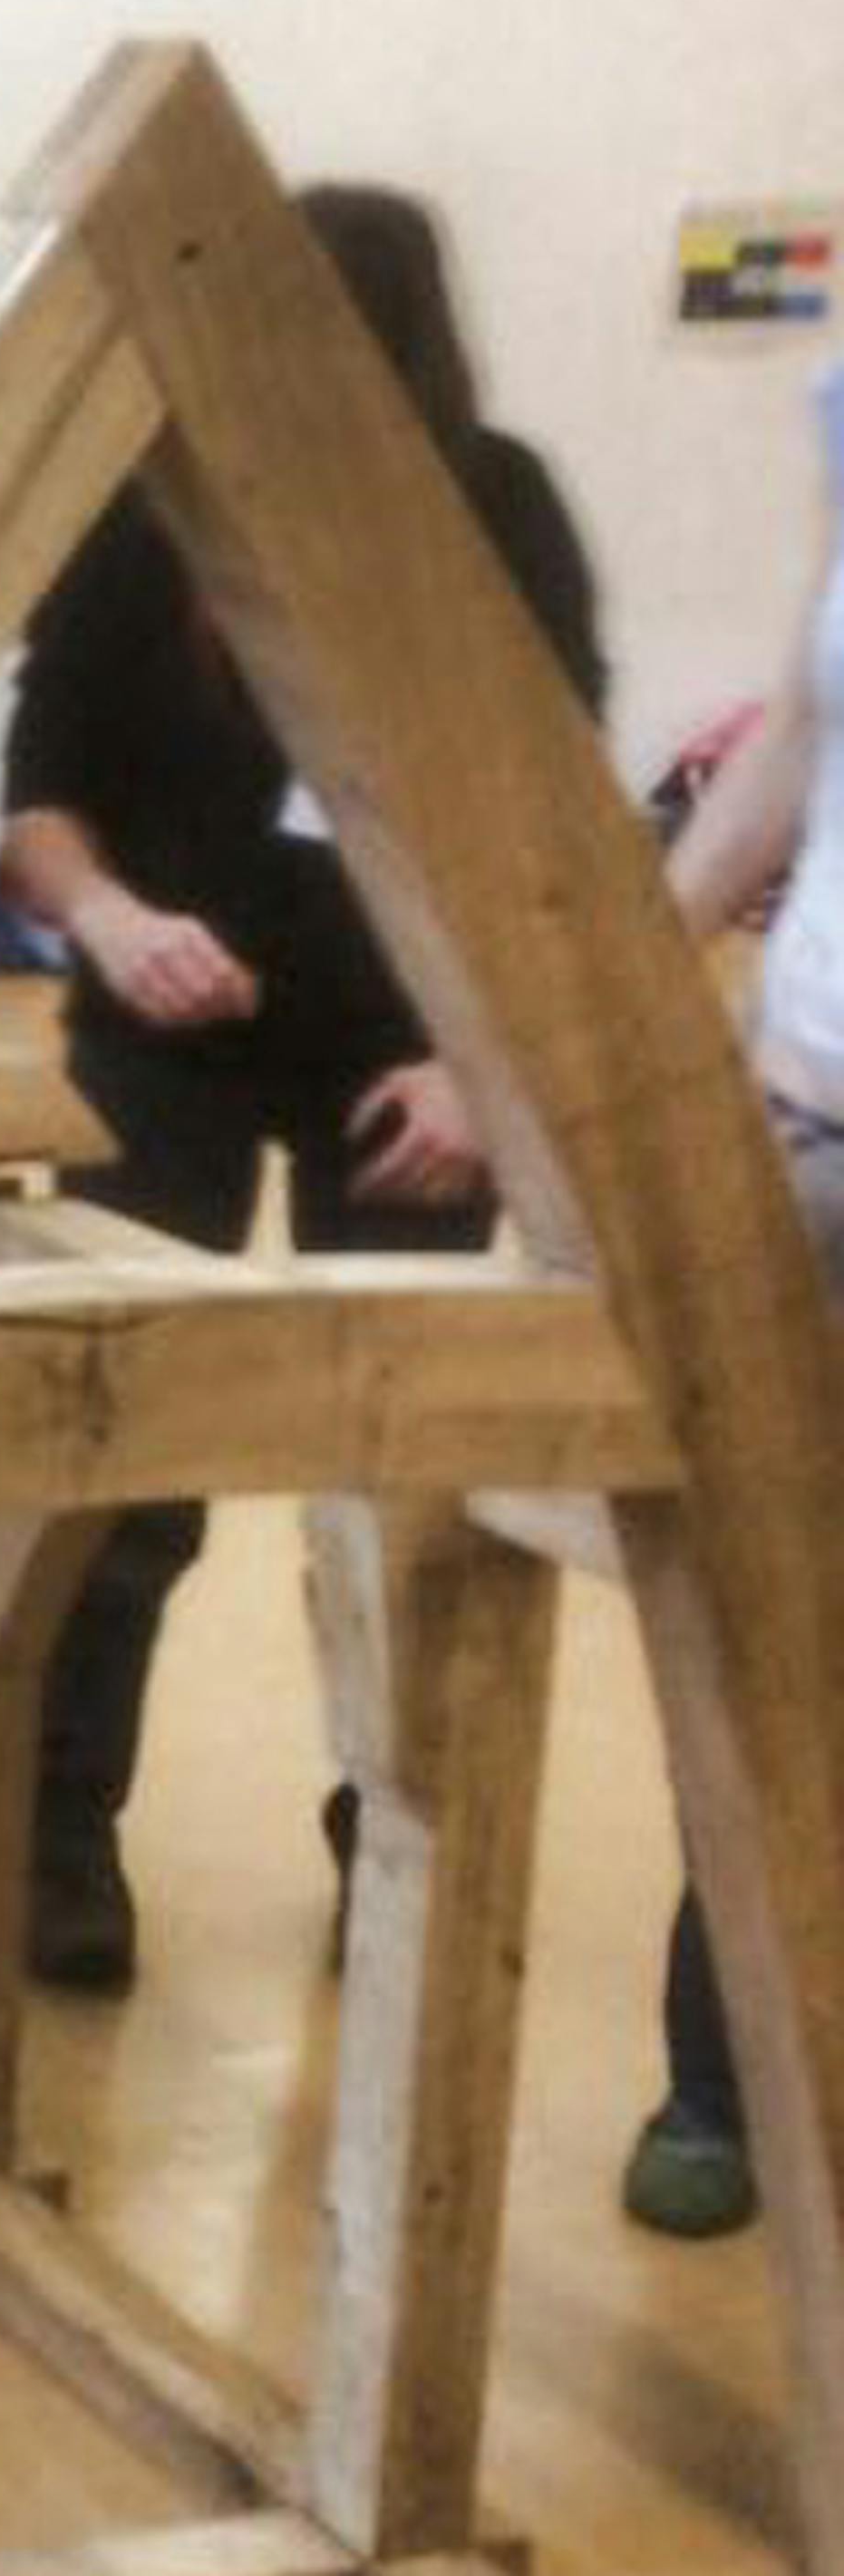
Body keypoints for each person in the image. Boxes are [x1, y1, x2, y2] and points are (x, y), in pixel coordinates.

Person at [0, 185, 605, 1990]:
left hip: (407, 1059)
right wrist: (113, 924)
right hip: (162, 1044)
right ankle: (57, 1834)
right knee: (121, 1443)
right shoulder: (139, 507)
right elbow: (38, 805)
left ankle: (391, 1839)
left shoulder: (494, 508)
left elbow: (553, 821)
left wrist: (480, 1069)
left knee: (400, 1469)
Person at [626, 348, 844, 2239]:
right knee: (770, 1625)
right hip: (812, 1124)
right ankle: (728, 2076)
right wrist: (627, 964)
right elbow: (798, 729)